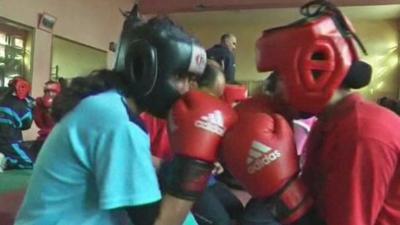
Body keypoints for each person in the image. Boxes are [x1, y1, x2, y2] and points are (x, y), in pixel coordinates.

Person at [15, 5, 237, 225]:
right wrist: (194, 167)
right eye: (181, 76)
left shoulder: (106, 104)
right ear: (144, 67)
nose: (188, 90)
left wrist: (179, 165)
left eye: (192, 80)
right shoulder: (117, 120)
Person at [222, 1, 400, 225]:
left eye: (280, 75)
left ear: (311, 72)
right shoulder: (328, 122)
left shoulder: (361, 132)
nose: (274, 89)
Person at [0, 77, 34, 170]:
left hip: (4, 140)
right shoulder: (20, 104)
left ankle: (5, 158)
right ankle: (6, 161)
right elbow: (26, 125)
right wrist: (31, 108)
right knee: (30, 163)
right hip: (11, 141)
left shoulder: (3, 98)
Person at [30, 80, 61, 159]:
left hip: (59, 138)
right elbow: (39, 124)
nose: (50, 94)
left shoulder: (65, 104)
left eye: (53, 91)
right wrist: (38, 107)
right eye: (47, 91)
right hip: (44, 138)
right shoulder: (40, 103)